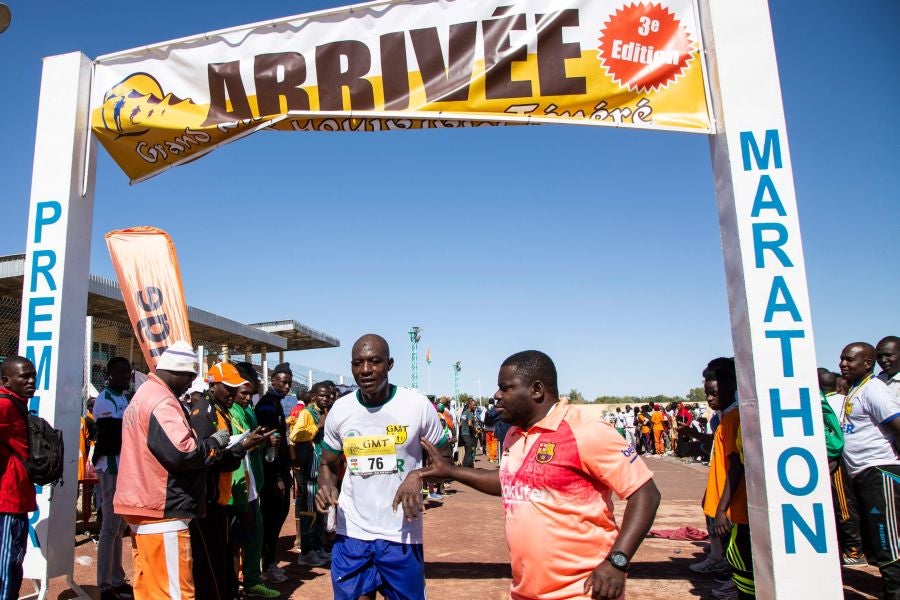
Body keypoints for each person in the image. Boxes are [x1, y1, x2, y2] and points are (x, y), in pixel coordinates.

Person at [396, 350, 660, 600]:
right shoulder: (515, 433)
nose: (497, 395)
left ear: (536, 390)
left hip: (584, 589)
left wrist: (618, 561)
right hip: (526, 590)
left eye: (506, 387)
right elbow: (509, 481)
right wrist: (452, 471)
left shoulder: (587, 431)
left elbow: (646, 493)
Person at [315, 334, 449, 600]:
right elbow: (326, 463)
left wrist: (417, 474)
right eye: (358, 363)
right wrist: (326, 485)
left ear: (390, 364)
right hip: (351, 534)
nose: (365, 370)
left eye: (374, 361)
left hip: (401, 534)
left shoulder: (417, 406)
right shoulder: (341, 410)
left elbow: (445, 462)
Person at [116, 342, 228, 599]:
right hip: (162, 510)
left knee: (151, 590)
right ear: (177, 372)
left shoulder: (143, 395)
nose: (190, 385)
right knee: (174, 593)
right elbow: (183, 452)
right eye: (190, 377)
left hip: (144, 504)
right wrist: (213, 444)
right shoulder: (161, 400)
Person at [190, 362, 270, 600]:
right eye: (229, 388)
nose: (234, 394)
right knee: (209, 563)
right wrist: (243, 446)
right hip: (209, 499)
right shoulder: (205, 411)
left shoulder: (220, 409)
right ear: (213, 385)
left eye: (237, 389)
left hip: (221, 497)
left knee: (221, 556)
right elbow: (206, 457)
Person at [839, 342, 900, 597]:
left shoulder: (874, 389)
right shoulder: (856, 390)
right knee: (877, 539)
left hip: (879, 471)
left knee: (888, 539)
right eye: (841, 359)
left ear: (867, 363)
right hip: (862, 474)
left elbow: (897, 424)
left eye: (849, 360)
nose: (843, 364)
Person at [230, 363, 280, 599]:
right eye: (246, 389)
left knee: (254, 532)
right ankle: (241, 583)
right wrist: (263, 442)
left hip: (253, 481)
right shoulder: (234, 409)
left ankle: (251, 580)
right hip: (238, 483)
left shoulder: (247, 407)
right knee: (239, 536)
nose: (251, 392)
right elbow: (242, 442)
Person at [687, 358, 738, 591]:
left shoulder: (735, 417)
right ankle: (722, 562)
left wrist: (721, 507)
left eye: (713, 393)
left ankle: (734, 578)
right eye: (707, 393)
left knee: (735, 536)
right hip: (720, 484)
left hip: (731, 491)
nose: (709, 399)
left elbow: (736, 464)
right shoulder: (723, 416)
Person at [93, 357, 135, 600]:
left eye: (127, 372)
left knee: (120, 526)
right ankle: (104, 584)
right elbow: (112, 437)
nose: (125, 376)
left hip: (124, 468)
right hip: (110, 468)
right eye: (120, 372)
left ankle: (117, 579)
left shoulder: (123, 398)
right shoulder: (104, 399)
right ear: (109, 374)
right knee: (110, 526)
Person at [817, 368, 865, 566]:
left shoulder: (828, 402)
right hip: (843, 458)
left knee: (843, 504)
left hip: (835, 459)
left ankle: (854, 550)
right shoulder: (843, 400)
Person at [0, 356, 38, 600]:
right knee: (5, 568)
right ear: (6, 380)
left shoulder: (18, 403)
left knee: (14, 561)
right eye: (24, 376)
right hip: (7, 500)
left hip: (19, 498)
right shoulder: (4, 406)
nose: (31, 381)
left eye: (33, 375)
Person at [255, 363, 294, 584]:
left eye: (289, 382)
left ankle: (268, 561)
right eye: (283, 381)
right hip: (273, 474)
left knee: (276, 518)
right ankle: (267, 564)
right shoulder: (268, 406)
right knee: (272, 519)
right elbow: (271, 446)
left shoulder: (275, 403)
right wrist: (278, 477)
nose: (287, 386)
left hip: (278, 471)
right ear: (273, 381)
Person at [289, 381, 331, 567]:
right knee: (309, 510)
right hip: (312, 469)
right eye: (322, 395)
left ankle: (318, 547)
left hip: (325, 467)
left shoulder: (327, 412)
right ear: (314, 396)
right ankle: (306, 552)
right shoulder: (307, 413)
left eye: (328, 395)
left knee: (321, 510)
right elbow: (295, 435)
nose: (325, 398)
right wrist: (317, 427)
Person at [459, 398, 478, 468]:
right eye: (474, 405)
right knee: (468, 453)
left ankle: (471, 468)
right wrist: (475, 430)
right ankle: (465, 470)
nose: (475, 407)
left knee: (468, 452)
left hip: (463, 435)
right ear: (470, 406)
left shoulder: (464, 413)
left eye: (476, 405)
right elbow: (470, 424)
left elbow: (460, 424)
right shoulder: (470, 413)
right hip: (468, 435)